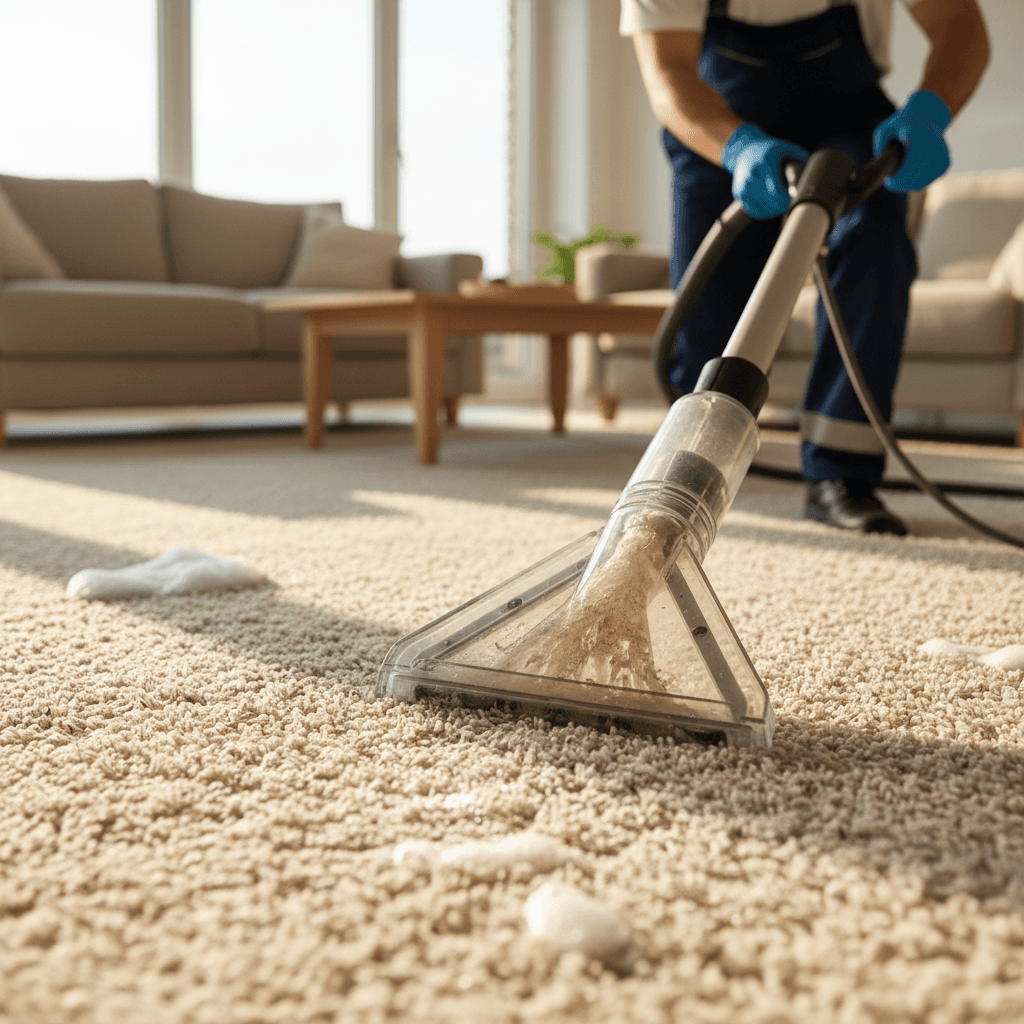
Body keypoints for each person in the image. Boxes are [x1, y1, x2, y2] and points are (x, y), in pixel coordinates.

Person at [623, 0, 989, 534]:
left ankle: (842, 475)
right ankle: (691, 471)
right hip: (721, 127)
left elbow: (961, 28)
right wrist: (741, 149)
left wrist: (930, 111)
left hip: (848, 122)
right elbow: (667, 74)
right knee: (710, 313)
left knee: (875, 243)